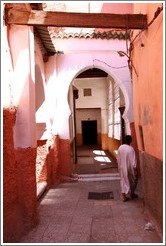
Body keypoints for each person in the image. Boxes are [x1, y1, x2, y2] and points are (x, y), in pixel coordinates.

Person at [116, 135, 138, 202]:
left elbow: (117, 158)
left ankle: (124, 196)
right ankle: (132, 193)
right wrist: (135, 169)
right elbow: (133, 160)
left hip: (122, 167)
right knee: (133, 180)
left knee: (123, 180)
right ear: (131, 141)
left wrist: (119, 165)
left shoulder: (120, 147)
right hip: (129, 168)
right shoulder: (131, 149)